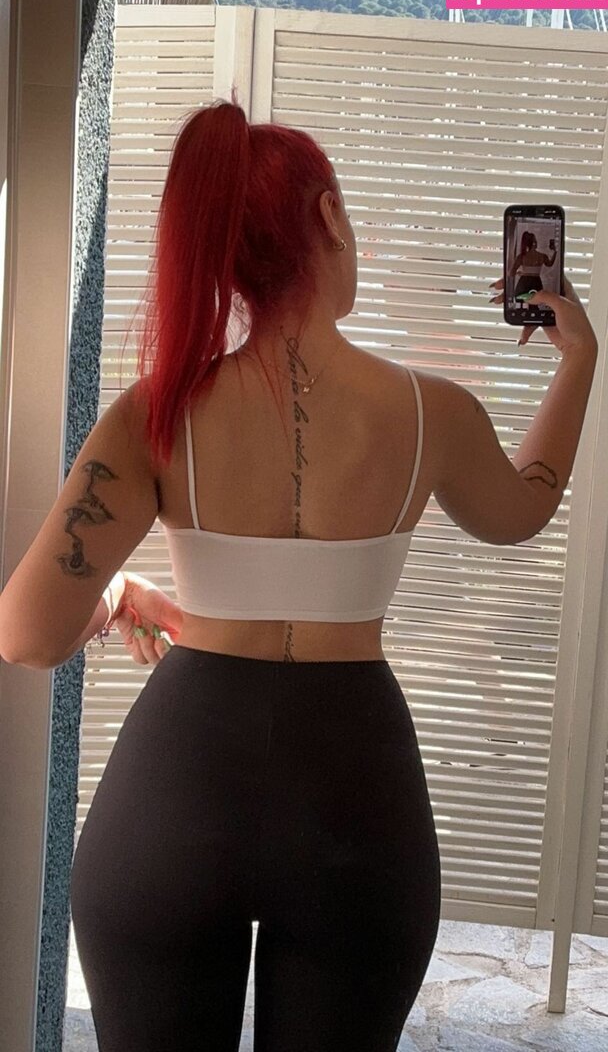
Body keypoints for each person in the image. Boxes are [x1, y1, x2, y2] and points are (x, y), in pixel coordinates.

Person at [0, 95, 598, 1051]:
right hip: (354, 799)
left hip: (176, 796)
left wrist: (114, 596)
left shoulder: (156, 413)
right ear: (329, 216)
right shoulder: (431, 413)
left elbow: (26, 635)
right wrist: (577, 361)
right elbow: (522, 510)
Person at [511, 229, 557, 299]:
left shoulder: (521, 257)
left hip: (524, 283)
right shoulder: (542, 256)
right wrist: (555, 252)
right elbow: (550, 264)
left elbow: (511, 273)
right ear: (534, 243)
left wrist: (519, 273)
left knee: (521, 300)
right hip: (536, 282)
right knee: (536, 301)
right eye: (535, 240)